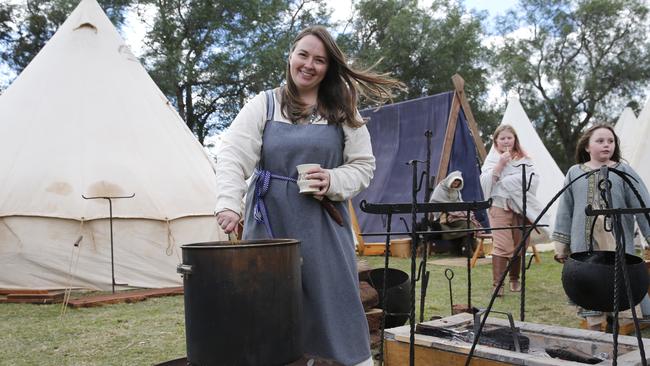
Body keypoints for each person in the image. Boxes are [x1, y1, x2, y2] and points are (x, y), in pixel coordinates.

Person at [214, 26, 403, 366]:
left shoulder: (343, 109)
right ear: (291, 56)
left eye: (319, 60)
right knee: (270, 303)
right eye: (303, 54)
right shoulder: (265, 104)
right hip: (270, 223)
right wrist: (228, 203)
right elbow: (232, 154)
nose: (309, 65)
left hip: (323, 225)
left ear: (328, 68)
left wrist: (332, 179)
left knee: (334, 301)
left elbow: (363, 166)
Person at [552, 124, 650, 329]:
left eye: (611, 141)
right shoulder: (575, 172)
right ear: (587, 146)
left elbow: (642, 205)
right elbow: (565, 209)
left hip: (617, 240)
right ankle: (596, 330)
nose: (607, 145)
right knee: (589, 279)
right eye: (600, 141)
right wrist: (562, 245)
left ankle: (616, 325)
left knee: (618, 282)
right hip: (585, 242)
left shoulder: (624, 171)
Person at [480, 125, 548, 296]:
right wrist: (501, 165)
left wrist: (509, 182)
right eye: (502, 138)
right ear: (496, 140)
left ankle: (514, 279)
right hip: (498, 206)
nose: (506, 141)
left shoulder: (524, 159)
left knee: (520, 244)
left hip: (520, 206)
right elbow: (487, 182)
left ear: (514, 139)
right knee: (502, 245)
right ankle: (498, 284)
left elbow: (533, 180)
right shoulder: (492, 159)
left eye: (509, 138)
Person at [429, 170, 482, 240]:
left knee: (471, 225)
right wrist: (446, 211)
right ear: (450, 181)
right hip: (445, 216)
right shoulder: (441, 188)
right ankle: (443, 231)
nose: (455, 185)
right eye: (454, 183)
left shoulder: (456, 190)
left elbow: (459, 202)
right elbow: (433, 203)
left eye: (457, 184)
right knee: (467, 226)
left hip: (456, 214)